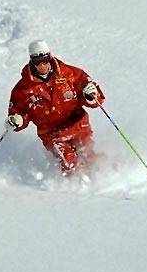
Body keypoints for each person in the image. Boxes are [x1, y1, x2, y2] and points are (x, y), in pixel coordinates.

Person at [7, 40, 105, 176]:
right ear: (31, 62)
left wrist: (91, 94)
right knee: (69, 162)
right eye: (37, 62)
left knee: (88, 156)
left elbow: (94, 98)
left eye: (45, 60)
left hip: (78, 125)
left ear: (50, 57)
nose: (42, 65)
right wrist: (16, 120)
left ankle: (107, 174)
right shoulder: (23, 89)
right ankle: (75, 189)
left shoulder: (70, 74)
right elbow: (18, 113)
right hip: (52, 134)